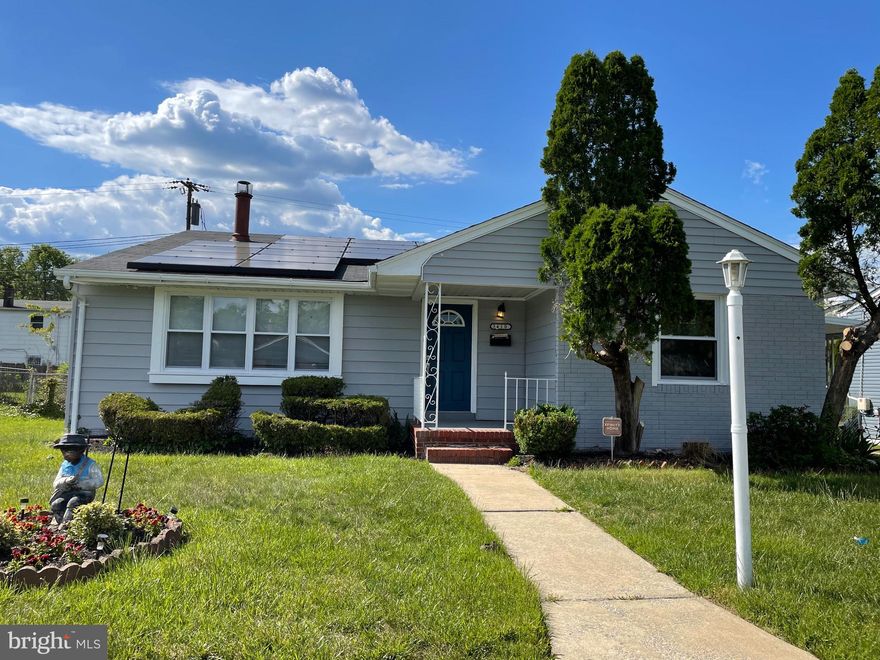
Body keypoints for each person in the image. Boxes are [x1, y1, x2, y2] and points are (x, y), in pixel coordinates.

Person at [50, 433, 104, 524]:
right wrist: (66, 481)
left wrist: (81, 484)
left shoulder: (90, 464)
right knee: (57, 504)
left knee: (73, 503)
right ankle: (59, 522)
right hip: (67, 492)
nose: (65, 454)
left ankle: (67, 524)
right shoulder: (65, 465)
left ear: (80, 450)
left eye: (69, 451)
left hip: (84, 493)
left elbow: (99, 481)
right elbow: (56, 483)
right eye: (63, 451)